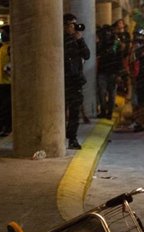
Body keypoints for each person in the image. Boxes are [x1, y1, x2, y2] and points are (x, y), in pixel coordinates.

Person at [63, 13, 90, 149]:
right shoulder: (60, 39)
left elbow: (87, 55)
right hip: (62, 81)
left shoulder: (77, 40)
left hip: (75, 81)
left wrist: (80, 39)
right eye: (71, 25)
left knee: (74, 111)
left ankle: (72, 138)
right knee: (61, 111)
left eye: (75, 24)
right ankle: (59, 136)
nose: (74, 27)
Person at [97, 25, 123, 120]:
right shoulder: (100, 43)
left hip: (113, 72)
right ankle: (104, 110)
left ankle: (109, 112)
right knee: (102, 92)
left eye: (108, 32)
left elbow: (120, 59)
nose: (106, 34)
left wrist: (119, 74)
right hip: (102, 71)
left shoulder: (116, 44)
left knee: (111, 93)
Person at [0, 25, 12, 137]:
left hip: (7, 82)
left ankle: (7, 128)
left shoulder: (10, 48)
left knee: (6, 107)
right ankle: (1, 126)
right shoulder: (1, 47)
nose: (2, 35)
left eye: (4, 32)